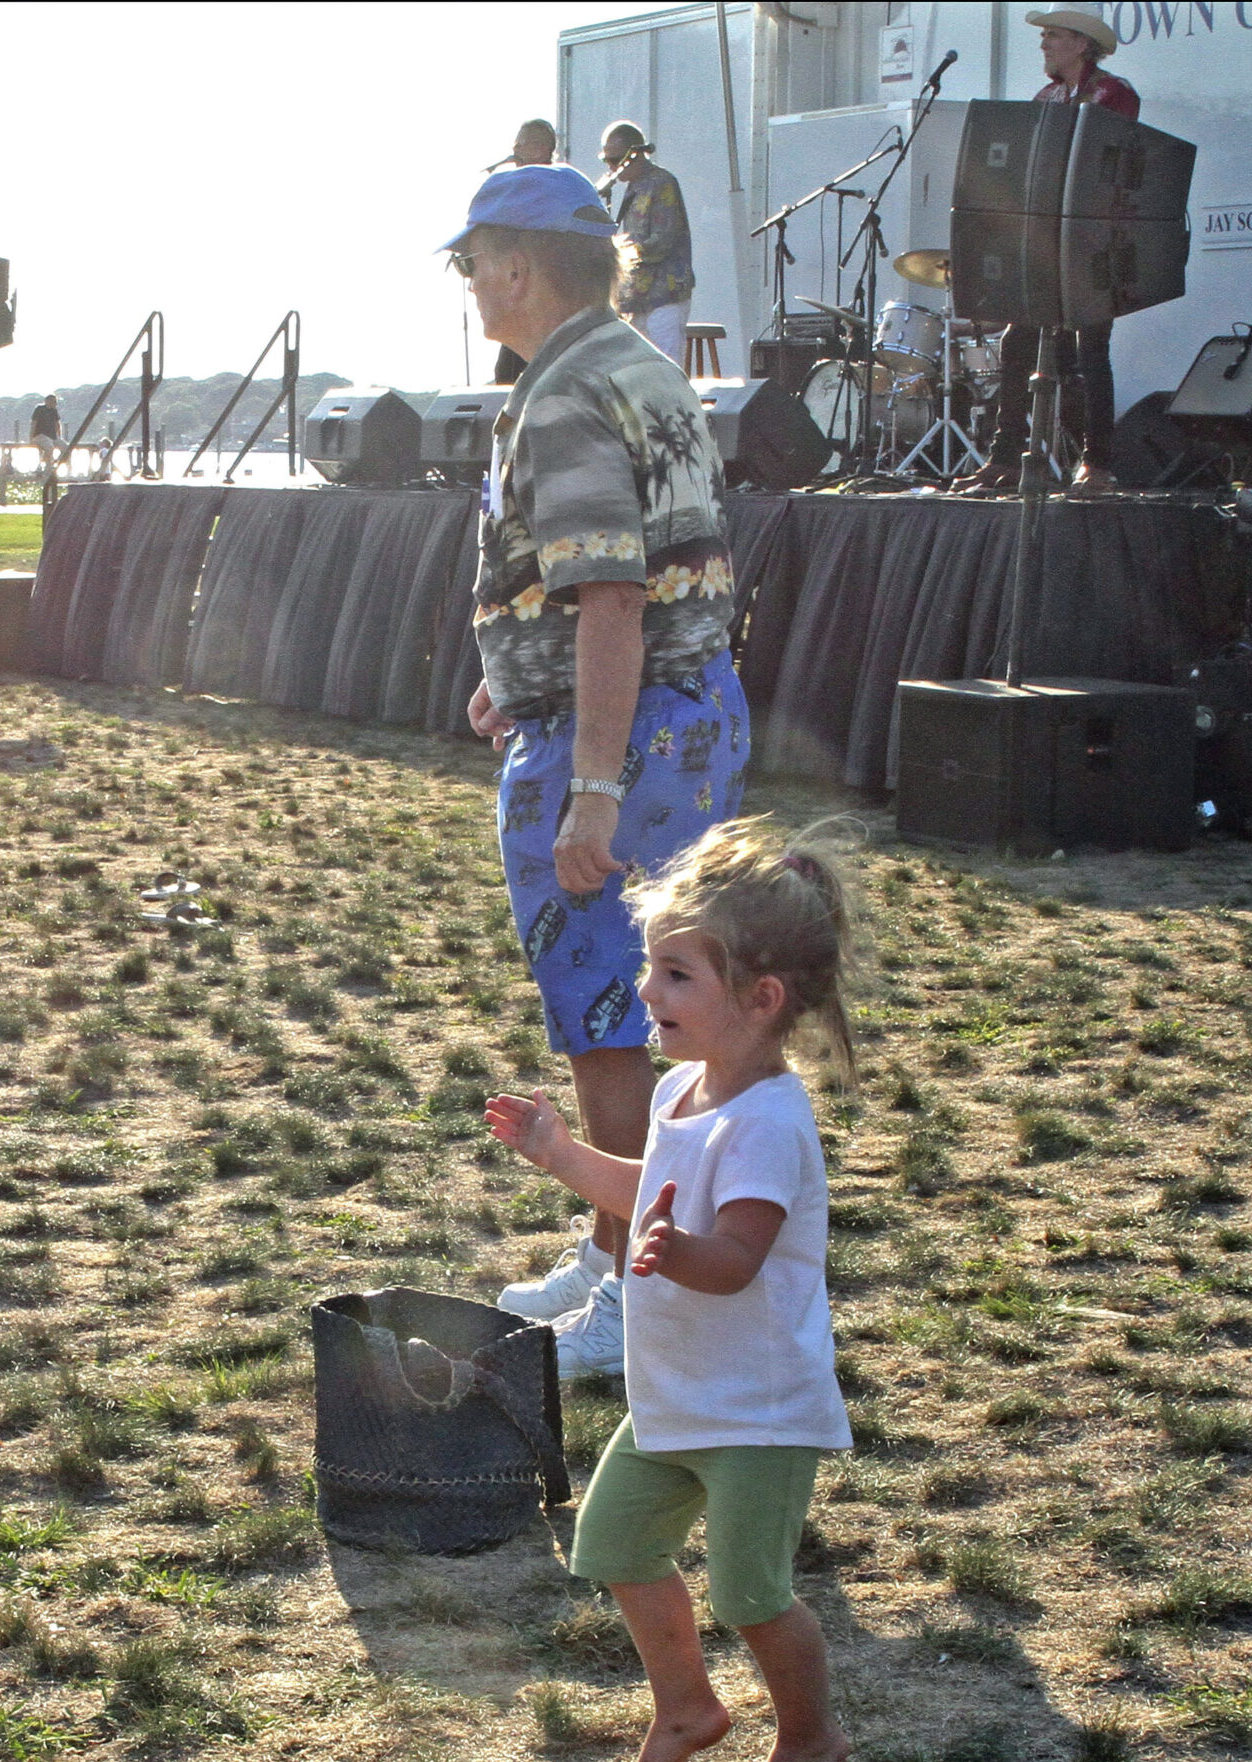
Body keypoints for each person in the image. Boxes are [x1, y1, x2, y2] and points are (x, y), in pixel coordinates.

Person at [487, 820, 856, 1762]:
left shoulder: (769, 1124)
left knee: (749, 1593)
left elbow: (734, 1255)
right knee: (610, 1547)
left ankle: (811, 1735)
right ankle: (687, 1709)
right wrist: (563, 1156)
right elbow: (656, 1185)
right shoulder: (685, 1089)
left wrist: (676, 1253)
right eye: (651, 968)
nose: (647, 991)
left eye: (675, 974)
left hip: (757, 1411)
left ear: (759, 999)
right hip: (676, 1393)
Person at [446, 165, 747, 1378]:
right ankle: (617, 1239)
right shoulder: (631, 362)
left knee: (612, 1017)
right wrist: (517, 667)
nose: (469, 283)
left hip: (628, 734)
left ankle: (636, 1291)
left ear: (516, 265)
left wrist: (593, 780)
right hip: (672, 713)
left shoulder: (565, 394)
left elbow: (614, 594)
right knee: (651, 1001)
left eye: (472, 261)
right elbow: (625, 574)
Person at [971, 10, 1140, 492]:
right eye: (1043, 35)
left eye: (1054, 36)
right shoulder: (1046, 96)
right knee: (1017, 342)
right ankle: (1006, 457)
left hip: (1091, 239)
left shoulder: (1113, 92)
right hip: (1045, 238)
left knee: (1091, 352)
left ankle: (1098, 464)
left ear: (1083, 45)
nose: (1043, 43)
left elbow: (1100, 159)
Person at [599, 122, 694, 366]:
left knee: (667, 367)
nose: (611, 167)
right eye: (606, 161)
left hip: (665, 294)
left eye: (615, 159)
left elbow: (662, 241)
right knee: (638, 370)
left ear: (636, 154)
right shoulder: (634, 186)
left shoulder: (662, 183)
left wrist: (618, 253)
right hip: (640, 297)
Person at [490, 122, 560, 388]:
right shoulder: (517, 186)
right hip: (520, 297)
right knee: (507, 375)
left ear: (542, 149)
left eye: (522, 144)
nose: (515, 149)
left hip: (545, 299)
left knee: (534, 373)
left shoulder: (557, 185)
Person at [30, 391, 63, 471]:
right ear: (47, 401)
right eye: (53, 401)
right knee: (49, 447)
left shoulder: (54, 411)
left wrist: (59, 436)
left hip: (52, 436)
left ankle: (54, 463)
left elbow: (57, 424)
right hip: (40, 435)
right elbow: (34, 423)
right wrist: (31, 437)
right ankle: (46, 466)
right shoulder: (39, 409)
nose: (55, 403)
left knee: (66, 448)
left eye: (55, 402)